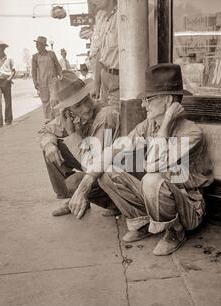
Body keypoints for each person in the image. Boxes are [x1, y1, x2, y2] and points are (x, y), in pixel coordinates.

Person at [64, 63, 213, 256]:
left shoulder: (191, 133)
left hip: (188, 207)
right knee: (106, 172)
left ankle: (174, 231)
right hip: (157, 198)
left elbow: (153, 165)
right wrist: (85, 184)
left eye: (148, 99)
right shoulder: (147, 125)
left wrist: (167, 122)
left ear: (168, 101)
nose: (143, 105)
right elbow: (113, 150)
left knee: (152, 179)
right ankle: (142, 221)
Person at [38, 71, 120, 214]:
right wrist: (49, 145)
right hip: (94, 166)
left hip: (111, 173)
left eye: (86, 100)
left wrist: (72, 134)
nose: (86, 108)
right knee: (52, 147)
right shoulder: (72, 116)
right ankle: (74, 199)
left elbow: (93, 164)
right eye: (78, 106)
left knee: (74, 182)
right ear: (68, 111)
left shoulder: (104, 115)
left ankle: (116, 205)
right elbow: (46, 131)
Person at [91, 0, 119, 110]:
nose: (93, 1)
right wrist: (96, 83)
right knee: (105, 115)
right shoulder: (100, 17)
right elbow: (99, 52)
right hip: (104, 76)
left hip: (118, 78)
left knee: (114, 116)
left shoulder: (123, 15)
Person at [32, 36, 62, 124]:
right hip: (42, 82)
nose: (37, 46)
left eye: (38, 45)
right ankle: (48, 120)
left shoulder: (51, 54)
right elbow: (33, 71)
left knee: (54, 99)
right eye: (36, 45)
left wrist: (61, 75)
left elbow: (57, 65)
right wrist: (35, 82)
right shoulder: (35, 57)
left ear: (43, 45)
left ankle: (57, 119)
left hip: (53, 80)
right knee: (45, 101)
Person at [0, 41, 16, 127]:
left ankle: (8, 120)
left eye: (1, 47)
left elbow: (13, 71)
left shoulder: (9, 58)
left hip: (6, 81)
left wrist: (9, 79)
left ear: (4, 48)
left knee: (8, 101)